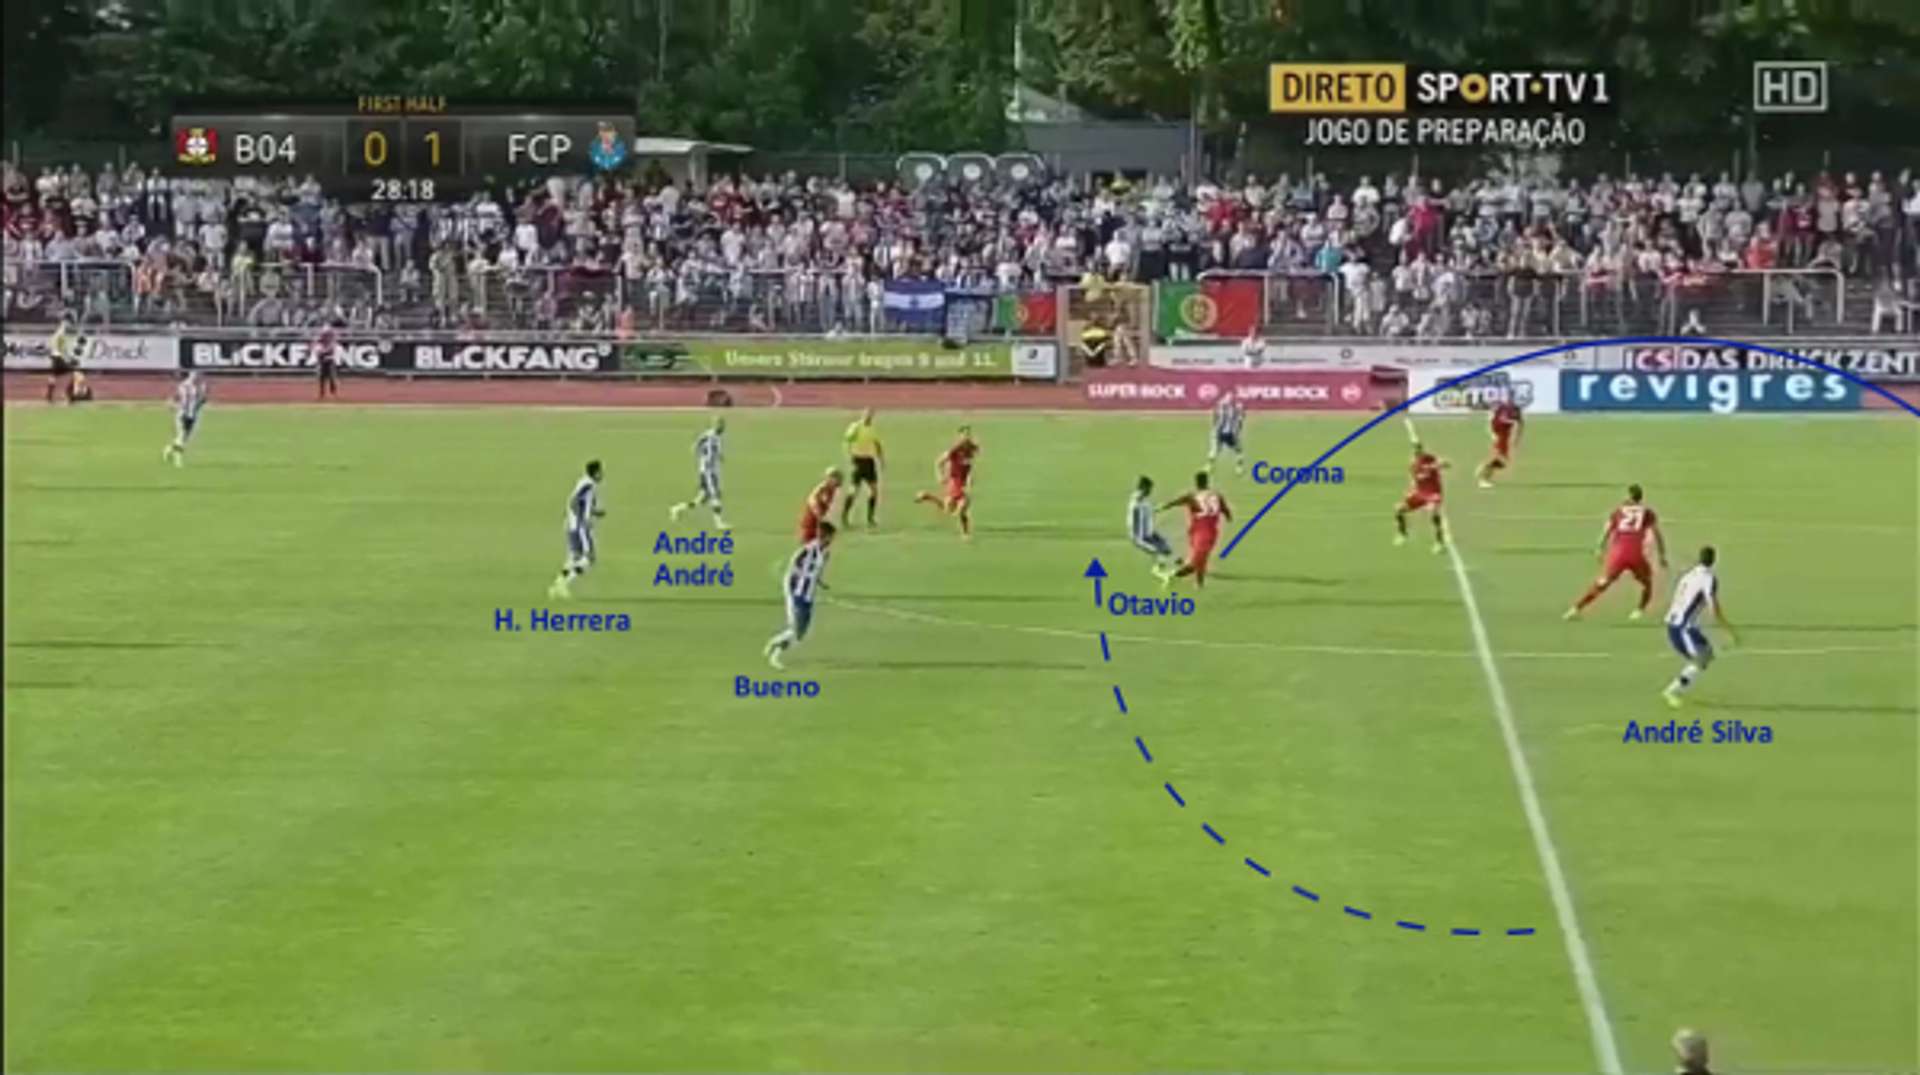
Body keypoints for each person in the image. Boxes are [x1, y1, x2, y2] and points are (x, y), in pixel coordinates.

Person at [1565, 484, 1669, 620]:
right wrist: (1662, 555)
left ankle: (1576, 609)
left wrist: (1599, 548)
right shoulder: (1647, 513)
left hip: (1619, 555)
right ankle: (1639, 610)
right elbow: (1657, 534)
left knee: (1602, 583)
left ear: (1629, 496)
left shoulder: (1618, 512)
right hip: (1636, 554)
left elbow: (1606, 531)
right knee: (1647, 583)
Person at [1662, 547, 1738, 708]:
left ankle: (1676, 689)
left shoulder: (1689, 574)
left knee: (1706, 656)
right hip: (1683, 628)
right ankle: (1672, 691)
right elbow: (1714, 609)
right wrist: (1729, 630)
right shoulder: (1708, 579)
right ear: (1714, 560)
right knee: (1701, 660)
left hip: (1676, 623)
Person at [764, 522, 834, 670]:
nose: (832, 540)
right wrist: (792, 591)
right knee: (795, 629)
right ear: (824, 535)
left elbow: (817, 571)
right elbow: (793, 569)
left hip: (808, 596)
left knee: (801, 634)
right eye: (830, 536)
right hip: (797, 593)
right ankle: (775, 654)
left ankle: (775, 643)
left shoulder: (825, 553)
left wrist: (820, 582)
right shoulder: (807, 551)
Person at [1154, 470, 1232, 589]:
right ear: (1207, 482)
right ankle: (1180, 578)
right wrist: (1228, 516)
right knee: (1199, 560)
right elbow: (1225, 510)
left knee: (1199, 560)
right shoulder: (1216, 495)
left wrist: (1161, 507)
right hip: (1211, 532)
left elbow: (1176, 502)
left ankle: (1191, 582)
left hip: (1199, 530)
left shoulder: (1192, 496)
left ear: (1196, 483)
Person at [548, 460, 605, 599]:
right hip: (580, 527)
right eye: (600, 472)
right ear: (595, 473)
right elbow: (575, 502)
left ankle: (557, 585)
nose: (602, 474)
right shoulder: (588, 486)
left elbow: (579, 503)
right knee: (589, 559)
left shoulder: (583, 482)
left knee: (574, 557)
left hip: (572, 525)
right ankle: (563, 584)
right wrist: (583, 519)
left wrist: (594, 512)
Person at [913, 424, 979, 539]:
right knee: (949, 509)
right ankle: (927, 496)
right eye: (964, 434)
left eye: (968, 434)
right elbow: (939, 462)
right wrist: (940, 476)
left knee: (961, 507)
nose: (967, 436)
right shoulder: (954, 450)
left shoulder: (971, 449)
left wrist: (969, 477)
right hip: (954, 482)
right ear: (959, 436)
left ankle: (965, 534)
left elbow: (969, 465)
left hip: (962, 483)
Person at [668, 417, 730, 530]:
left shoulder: (715, 437)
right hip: (708, 472)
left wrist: (719, 456)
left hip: (710, 471)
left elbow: (710, 449)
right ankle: (719, 523)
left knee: (700, 500)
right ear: (716, 425)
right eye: (721, 425)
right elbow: (697, 445)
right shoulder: (710, 436)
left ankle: (677, 509)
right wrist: (702, 456)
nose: (723, 427)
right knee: (715, 496)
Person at [1394, 443, 1449, 552]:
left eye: (1418, 450)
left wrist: (1436, 465)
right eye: (1415, 451)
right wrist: (1410, 492)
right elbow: (1414, 481)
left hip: (1433, 493)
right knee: (1399, 509)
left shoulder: (1429, 459)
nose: (1416, 452)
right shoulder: (1413, 464)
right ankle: (1402, 533)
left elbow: (1446, 464)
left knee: (1434, 513)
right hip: (1420, 493)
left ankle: (1439, 542)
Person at [841, 408, 884, 528]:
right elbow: (847, 441)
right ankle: (845, 516)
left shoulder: (872, 429)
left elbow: (877, 444)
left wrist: (880, 458)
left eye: (870, 416)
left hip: (869, 461)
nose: (868, 417)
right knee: (854, 490)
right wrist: (849, 455)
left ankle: (870, 518)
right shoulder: (856, 427)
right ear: (863, 415)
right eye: (867, 415)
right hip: (858, 461)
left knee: (874, 490)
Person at [161, 370, 209, 466]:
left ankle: (168, 450)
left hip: (194, 416)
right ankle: (178, 460)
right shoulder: (184, 386)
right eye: (198, 376)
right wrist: (171, 403)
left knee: (185, 439)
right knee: (181, 436)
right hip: (183, 415)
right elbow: (177, 396)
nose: (199, 378)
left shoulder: (200, 387)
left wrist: (203, 396)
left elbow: (203, 401)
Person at [1474, 396, 1524, 488]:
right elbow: (1490, 421)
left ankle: (1485, 475)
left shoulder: (1515, 410)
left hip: (1505, 436)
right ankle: (1482, 477)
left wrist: (1516, 439)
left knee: (1502, 461)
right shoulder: (1499, 409)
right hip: (1499, 435)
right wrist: (1493, 434)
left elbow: (1520, 424)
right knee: (1498, 458)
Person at [1127, 475, 1174, 570]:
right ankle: (1159, 569)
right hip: (1139, 537)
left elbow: (1146, 509)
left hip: (1150, 534)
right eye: (1149, 488)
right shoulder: (1137, 499)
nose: (1150, 491)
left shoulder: (1144, 501)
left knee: (1167, 549)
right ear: (1144, 488)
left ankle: (1168, 565)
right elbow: (1137, 500)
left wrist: (1157, 509)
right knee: (1156, 552)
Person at [799, 467, 843, 543]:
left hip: (821, 522)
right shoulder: (822, 488)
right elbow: (812, 499)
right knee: (810, 544)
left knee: (822, 544)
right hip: (811, 523)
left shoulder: (836, 491)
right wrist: (818, 512)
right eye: (832, 477)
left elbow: (832, 510)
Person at [1207, 392, 1247, 475]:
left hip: (1220, 432)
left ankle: (1209, 466)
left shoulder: (1220, 407)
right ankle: (1239, 468)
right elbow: (1241, 419)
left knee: (1215, 450)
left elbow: (1214, 418)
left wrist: (1215, 428)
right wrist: (1238, 430)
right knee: (1238, 451)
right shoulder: (1237, 408)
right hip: (1231, 433)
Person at [45, 315, 76, 404]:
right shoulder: (61, 333)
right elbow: (62, 348)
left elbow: (53, 344)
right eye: (69, 323)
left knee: (53, 376)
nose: (70, 325)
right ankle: (69, 395)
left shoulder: (58, 333)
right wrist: (68, 358)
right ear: (65, 322)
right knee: (73, 374)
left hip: (55, 357)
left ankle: (49, 396)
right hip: (58, 357)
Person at [314, 322, 341, 400]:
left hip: (330, 361)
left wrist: (325, 353)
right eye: (325, 334)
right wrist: (322, 354)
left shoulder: (332, 342)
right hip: (322, 361)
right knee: (321, 378)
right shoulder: (319, 342)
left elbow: (332, 350)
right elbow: (318, 352)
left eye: (328, 334)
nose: (326, 336)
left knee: (332, 377)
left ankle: (333, 392)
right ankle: (321, 393)